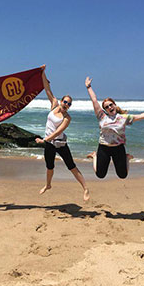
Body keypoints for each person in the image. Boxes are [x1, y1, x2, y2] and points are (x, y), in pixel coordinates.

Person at [85, 77, 144, 179]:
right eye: (106, 107)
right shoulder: (102, 116)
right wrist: (88, 87)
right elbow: (94, 100)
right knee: (100, 175)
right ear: (105, 110)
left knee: (123, 175)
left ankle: (127, 157)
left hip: (118, 148)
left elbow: (140, 116)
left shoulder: (123, 118)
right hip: (104, 148)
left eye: (110, 105)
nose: (109, 107)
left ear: (114, 105)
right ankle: (95, 156)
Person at [34, 68, 89, 201]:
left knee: (71, 166)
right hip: (49, 144)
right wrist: (42, 72)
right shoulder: (54, 105)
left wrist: (44, 140)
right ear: (61, 101)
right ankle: (48, 185)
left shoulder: (67, 118)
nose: (66, 105)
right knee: (49, 166)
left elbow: (58, 132)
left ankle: (85, 188)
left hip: (60, 144)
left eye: (69, 104)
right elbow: (47, 88)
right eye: (65, 102)